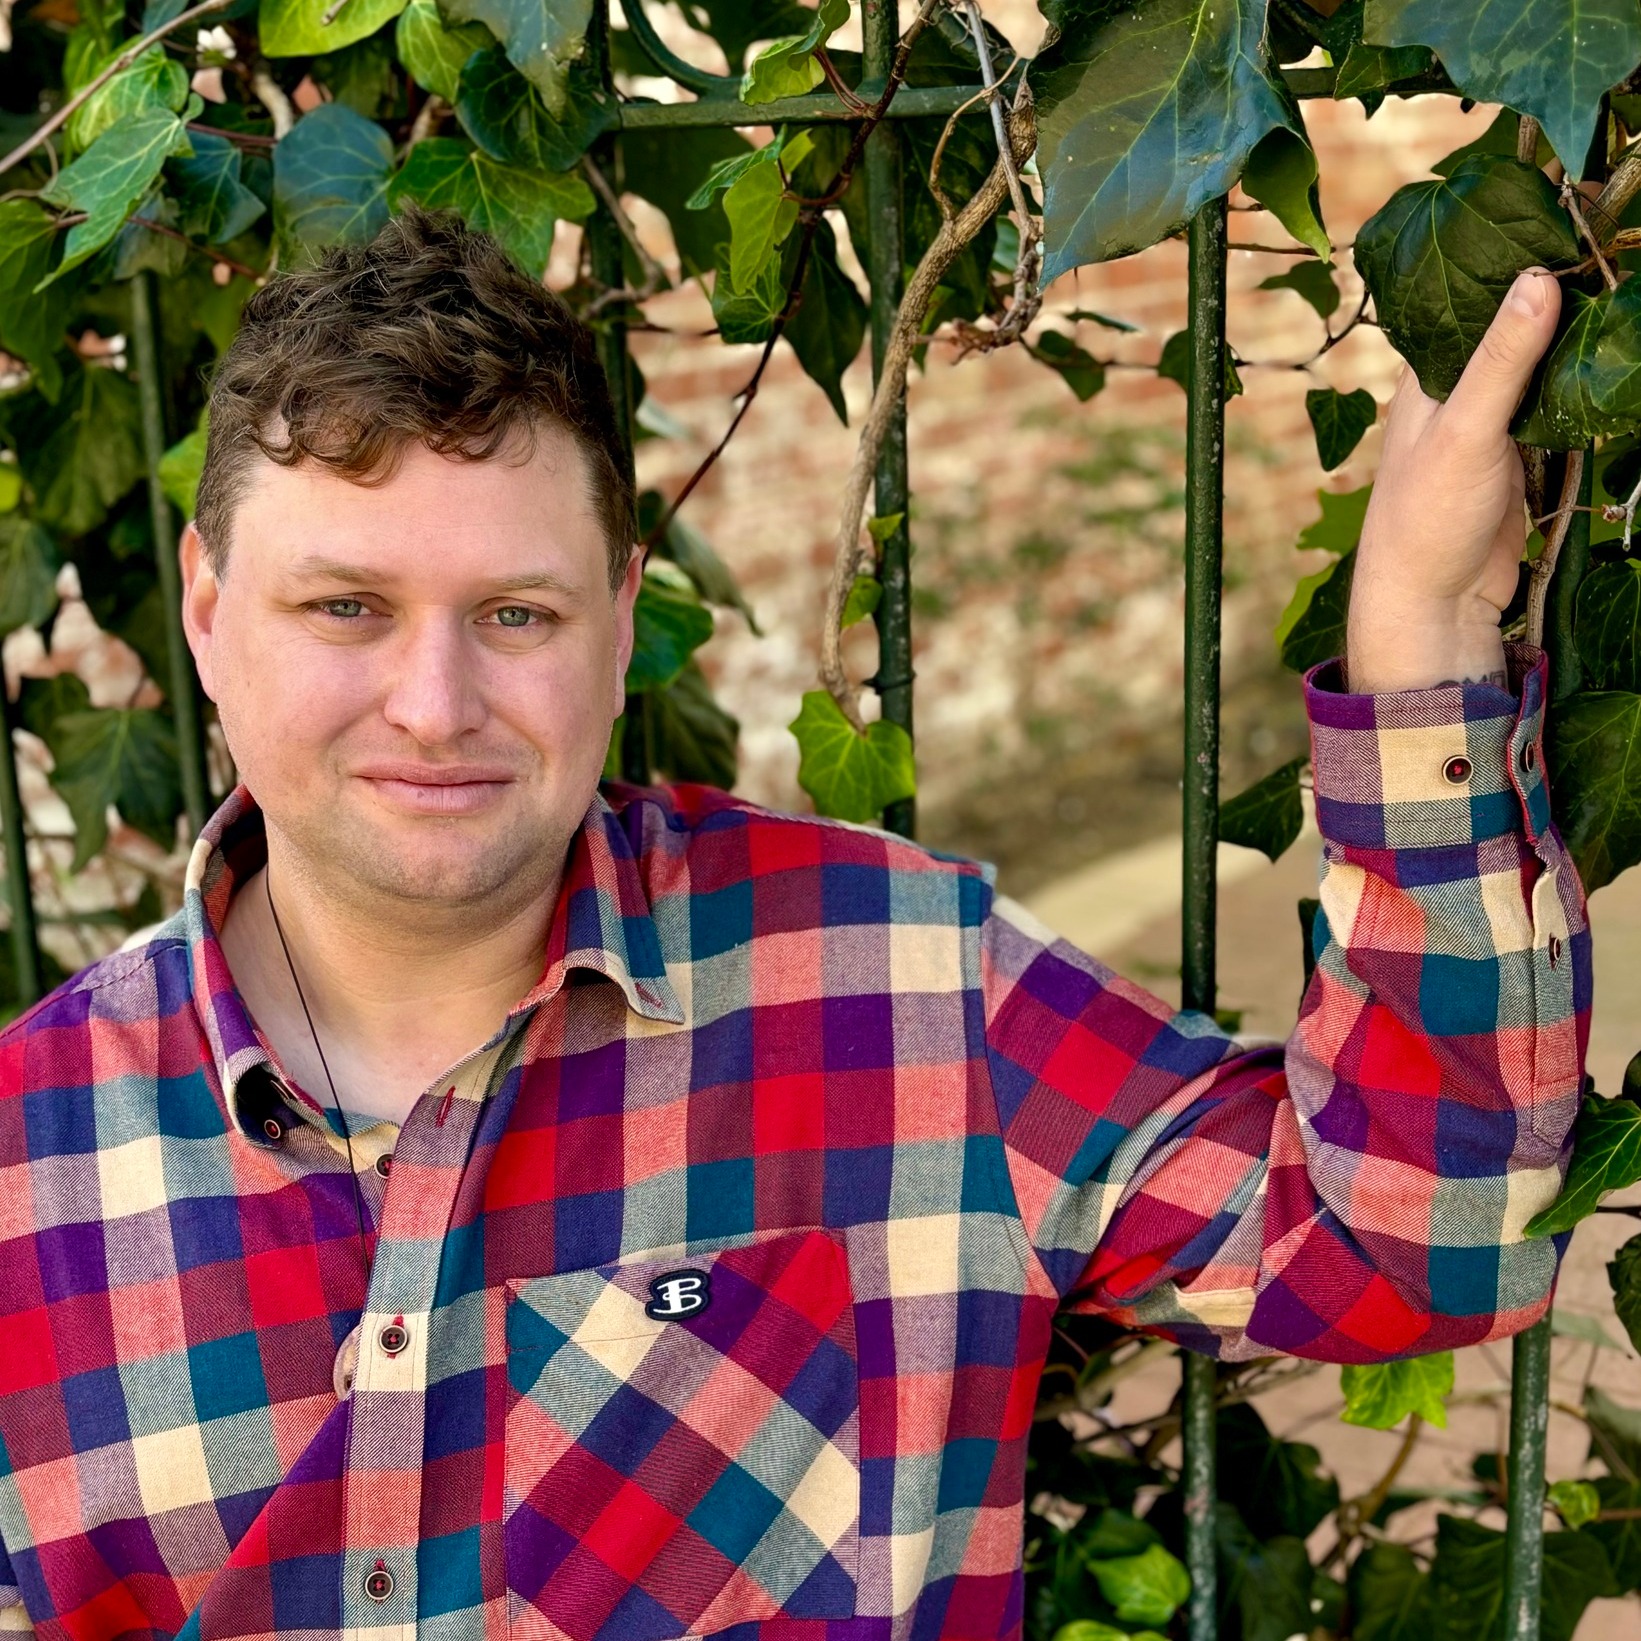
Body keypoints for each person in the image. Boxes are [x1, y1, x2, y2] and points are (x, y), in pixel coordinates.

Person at [0, 206, 1585, 1641]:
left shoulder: (896, 986)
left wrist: (1417, 636)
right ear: (207, 607)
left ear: (621, 617)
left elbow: (1421, 1240)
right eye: (345, 606)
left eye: (516, 613)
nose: (434, 702)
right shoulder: (25, 1159)